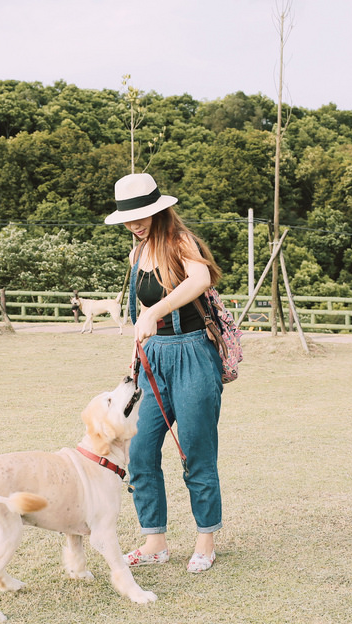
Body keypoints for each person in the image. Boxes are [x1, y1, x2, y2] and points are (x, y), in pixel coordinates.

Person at [105, 173, 224, 573]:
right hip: (153, 358)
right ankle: (154, 540)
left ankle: (205, 541)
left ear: (159, 210)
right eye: (128, 217)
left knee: (195, 451)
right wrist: (137, 355)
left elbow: (200, 279)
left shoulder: (179, 241)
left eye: (142, 215)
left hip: (192, 353)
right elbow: (140, 315)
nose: (135, 223)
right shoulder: (136, 253)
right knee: (138, 450)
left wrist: (157, 311)